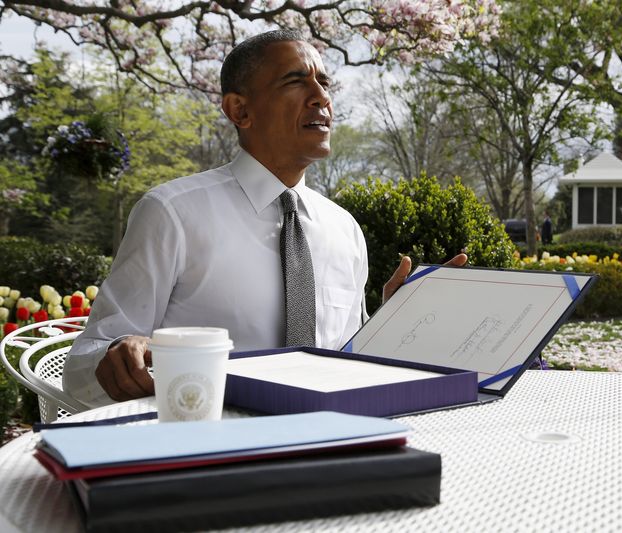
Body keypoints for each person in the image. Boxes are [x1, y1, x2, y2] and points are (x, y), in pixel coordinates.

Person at [63, 30, 466, 407]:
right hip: (212, 456)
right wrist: (116, 356)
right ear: (240, 110)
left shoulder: (344, 229)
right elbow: (82, 365)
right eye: (295, 81)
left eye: (325, 84)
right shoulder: (172, 213)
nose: (320, 97)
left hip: (334, 447)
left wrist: (392, 326)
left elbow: (347, 361)